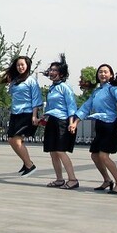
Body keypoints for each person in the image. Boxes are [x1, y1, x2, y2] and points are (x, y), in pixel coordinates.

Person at [77, 64, 117, 193]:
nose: (102, 74)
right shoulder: (96, 92)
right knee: (95, 155)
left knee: (103, 155)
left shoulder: (113, 89)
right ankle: (107, 180)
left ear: (111, 75)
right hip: (100, 124)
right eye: (100, 72)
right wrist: (76, 121)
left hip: (111, 124)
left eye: (105, 72)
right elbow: (86, 107)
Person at [41, 55, 80, 189]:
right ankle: (59, 179)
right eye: (50, 70)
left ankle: (73, 179)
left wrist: (71, 122)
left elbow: (71, 106)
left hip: (62, 121)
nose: (51, 72)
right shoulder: (51, 88)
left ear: (61, 73)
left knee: (60, 150)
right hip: (52, 120)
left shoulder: (65, 87)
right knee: (53, 151)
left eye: (54, 70)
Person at [4, 55, 43, 175]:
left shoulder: (31, 81)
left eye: (22, 65)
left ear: (27, 66)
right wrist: (9, 82)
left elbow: (36, 99)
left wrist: (34, 116)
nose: (20, 67)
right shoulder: (15, 81)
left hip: (27, 113)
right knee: (11, 139)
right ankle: (26, 162)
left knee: (17, 140)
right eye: (18, 65)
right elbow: (11, 93)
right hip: (15, 113)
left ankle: (30, 165)